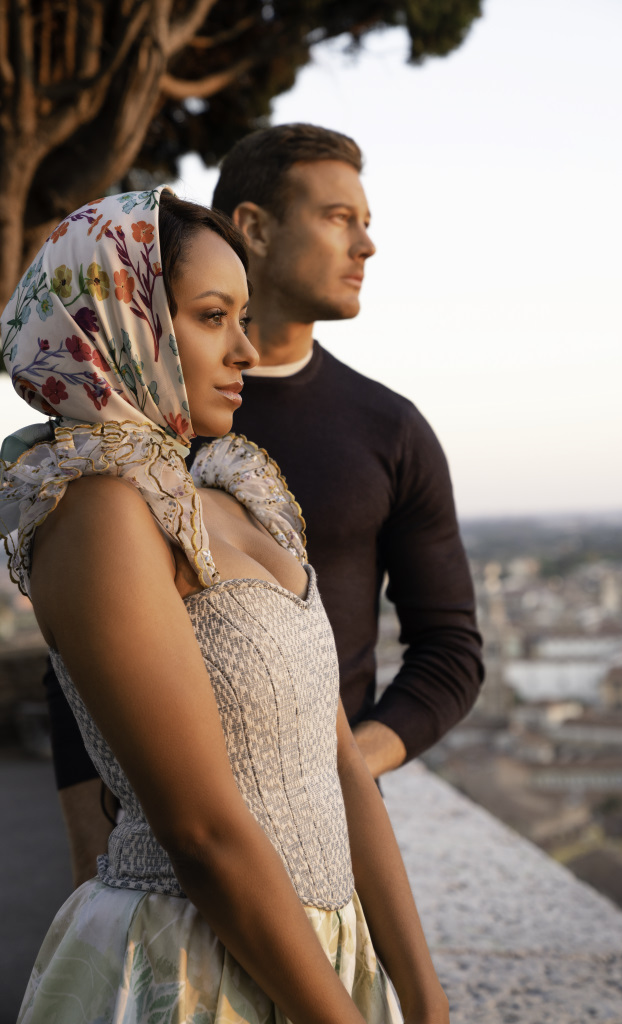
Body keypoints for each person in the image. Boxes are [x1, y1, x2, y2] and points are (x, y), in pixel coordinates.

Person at [1, 188, 449, 1023]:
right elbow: (200, 832)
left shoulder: (231, 493)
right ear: (120, 325)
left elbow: (340, 764)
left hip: (324, 958)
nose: (245, 348)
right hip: (191, 965)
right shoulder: (98, 511)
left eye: (242, 318)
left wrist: (425, 998)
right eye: (212, 317)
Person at [46, 124, 484, 888]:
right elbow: (72, 653)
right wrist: (89, 843)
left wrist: (334, 768)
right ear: (252, 226)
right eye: (338, 218)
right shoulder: (130, 425)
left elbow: (449, 650)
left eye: (366, 223)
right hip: (154, 856)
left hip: (333, 848)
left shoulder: (390, 430)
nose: (366, 245)